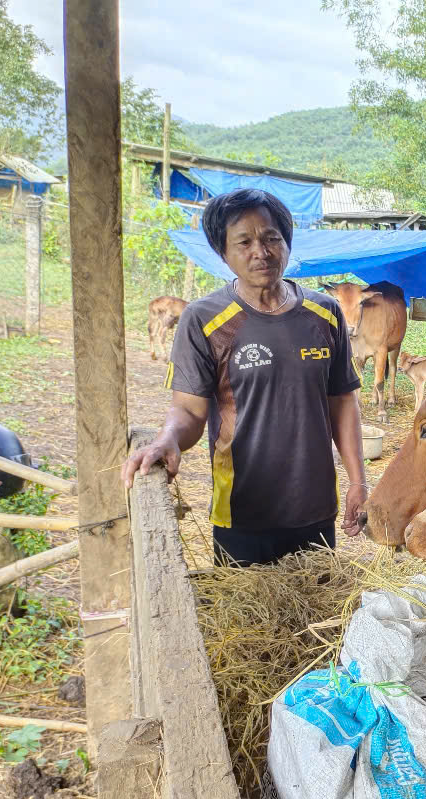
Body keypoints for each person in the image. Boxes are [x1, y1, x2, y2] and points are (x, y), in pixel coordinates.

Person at [122, 189, 367, 566]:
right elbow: (188, 411)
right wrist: (167, 439)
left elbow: (342, 402)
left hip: (315, 508)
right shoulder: (204, 320)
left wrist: (357, 480)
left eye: (272, 238)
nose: (262, 251)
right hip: (242, 512)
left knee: (315, 622)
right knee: (249, 624)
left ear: (287, 242)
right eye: (244, 241)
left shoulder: (326, 313)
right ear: (223, 253)